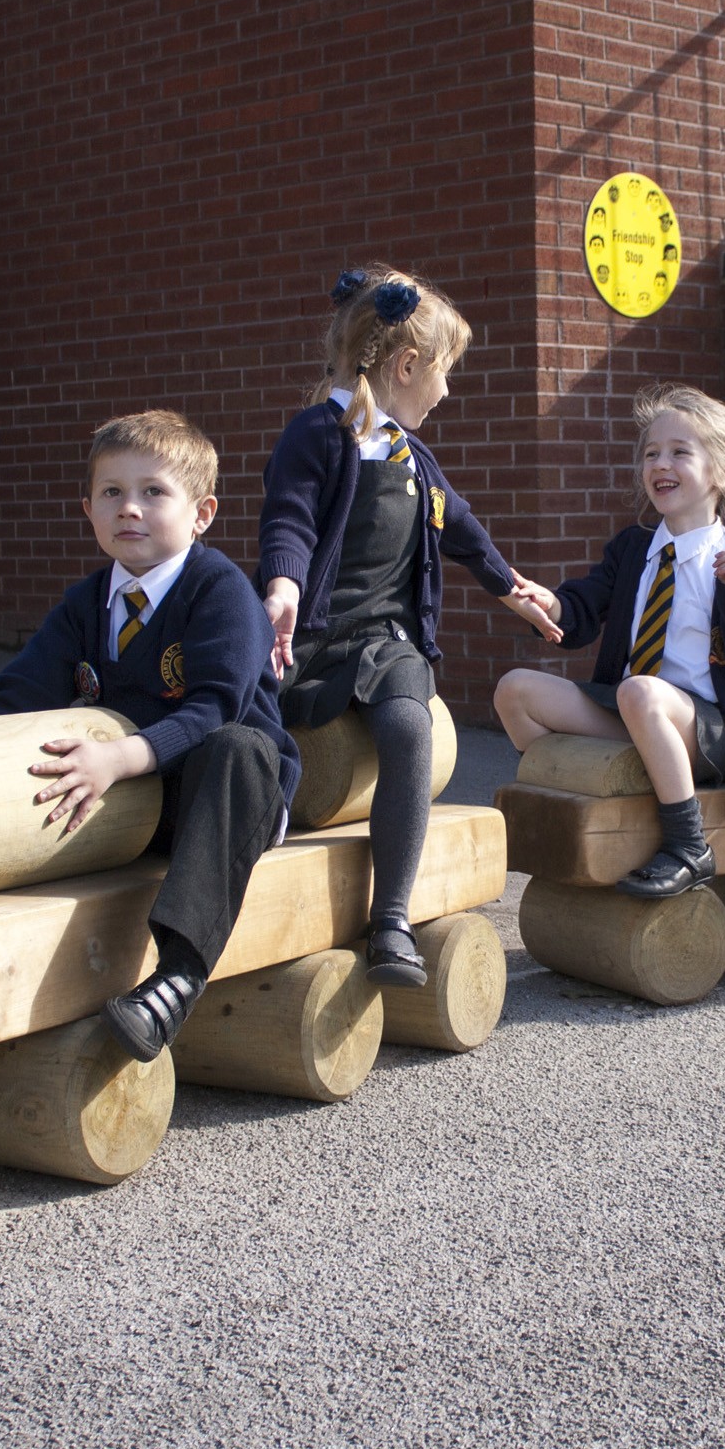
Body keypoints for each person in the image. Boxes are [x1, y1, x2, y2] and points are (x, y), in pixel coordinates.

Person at [0, 408, 300, 1061]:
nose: (129, 508)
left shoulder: (219, 592)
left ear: (202, 512)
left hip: (223, 799)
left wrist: (117, 757)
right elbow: (17, 696)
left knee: (238, 748)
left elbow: (213, 709)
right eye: (111, 492)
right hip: (136, 796)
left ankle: (179, 974)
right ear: (88, 508)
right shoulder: (85, 603)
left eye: (153, 491)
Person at [257, 264, 561, 986]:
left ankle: (389, 917)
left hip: (388, 641)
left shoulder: (410, 455)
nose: (447, 391)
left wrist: (509, 586)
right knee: (250, 716)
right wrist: (280, 584)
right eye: (444, 374)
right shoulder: (318, 435)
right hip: (312, 631)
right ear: (405, 365)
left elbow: (460, 528)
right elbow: (289, 516)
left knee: (408, 724)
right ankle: (255, 841)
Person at [494, 384, 725, 899]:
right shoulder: (634, 548)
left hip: (712, 728)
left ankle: (688, 844)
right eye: (652, 453)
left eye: (680, 452)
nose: (661, 463)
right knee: (514, 689)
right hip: (637, 713)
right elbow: (584, 607)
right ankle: (598, 791)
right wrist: (551, 604)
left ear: (722, 472)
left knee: (640, 692)